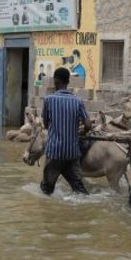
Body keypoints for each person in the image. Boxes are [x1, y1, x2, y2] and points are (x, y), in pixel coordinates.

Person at [40, 67, 92, 195]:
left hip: (54, 154)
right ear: (68, 82)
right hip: (72, 153)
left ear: (56, 80)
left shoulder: (49, 100)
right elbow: (88, 124)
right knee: (80, 191)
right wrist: (82, 132)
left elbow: (46, 124)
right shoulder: (78, 101)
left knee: (46, 191)